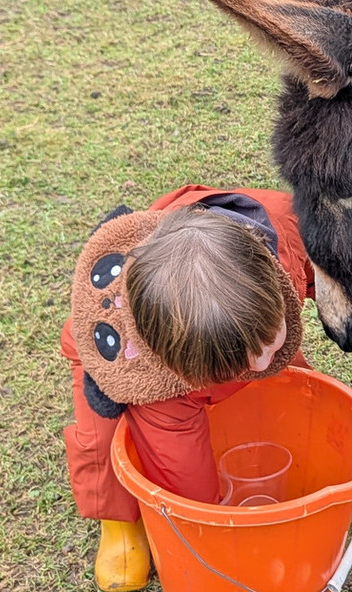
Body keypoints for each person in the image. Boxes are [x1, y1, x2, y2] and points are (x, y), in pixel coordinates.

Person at [60, 185, 313, 592]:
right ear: (185, 366)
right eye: (242, 363)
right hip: (108, 357)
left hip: (207, 292)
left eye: (272, 338)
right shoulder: (158, 383)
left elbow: (323, 267)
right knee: (103, 435)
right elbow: (183, 475)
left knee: (284, 386)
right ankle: (118, 522)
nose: (265, 362)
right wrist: (212, 521)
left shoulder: (285, 226)